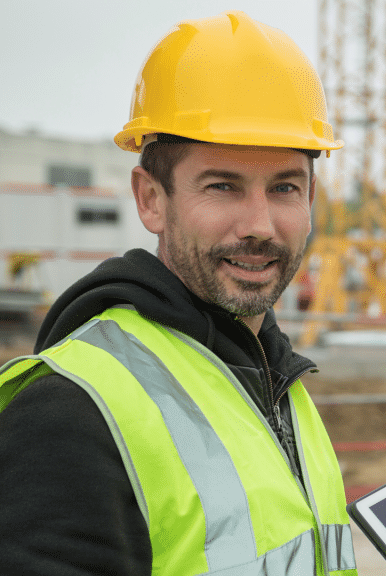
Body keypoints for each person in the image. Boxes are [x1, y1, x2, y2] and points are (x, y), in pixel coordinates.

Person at [0, 12, 358, 575]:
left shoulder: (279, 387)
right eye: (222, 186)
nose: (260, 224)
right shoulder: (70, 413)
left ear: (311, 197)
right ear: (151, 200)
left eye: (284, 186)